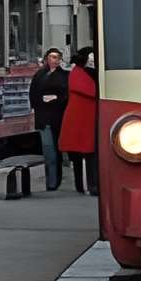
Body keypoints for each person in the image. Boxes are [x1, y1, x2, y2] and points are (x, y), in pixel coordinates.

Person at [57, 47, 100, 197]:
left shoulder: (77, 73)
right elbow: (92, 91)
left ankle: (83, 185)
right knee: (89, 155)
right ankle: (89, 185)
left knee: (83, 156)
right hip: (84, 120)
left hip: (81, 120)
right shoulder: (81, 74)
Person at [29, 48, 70, 190]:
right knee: (48, 151)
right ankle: (51, 182)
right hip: (43, 117)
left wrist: (56, 98)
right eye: (53, 57)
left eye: (58, 57)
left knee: (57, 150)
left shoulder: (65, 76)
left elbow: (67, 95)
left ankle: (56, 179)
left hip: (58, 116)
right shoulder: (39, 75)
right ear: (47, 58)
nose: (56, 60)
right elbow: (33, 94)